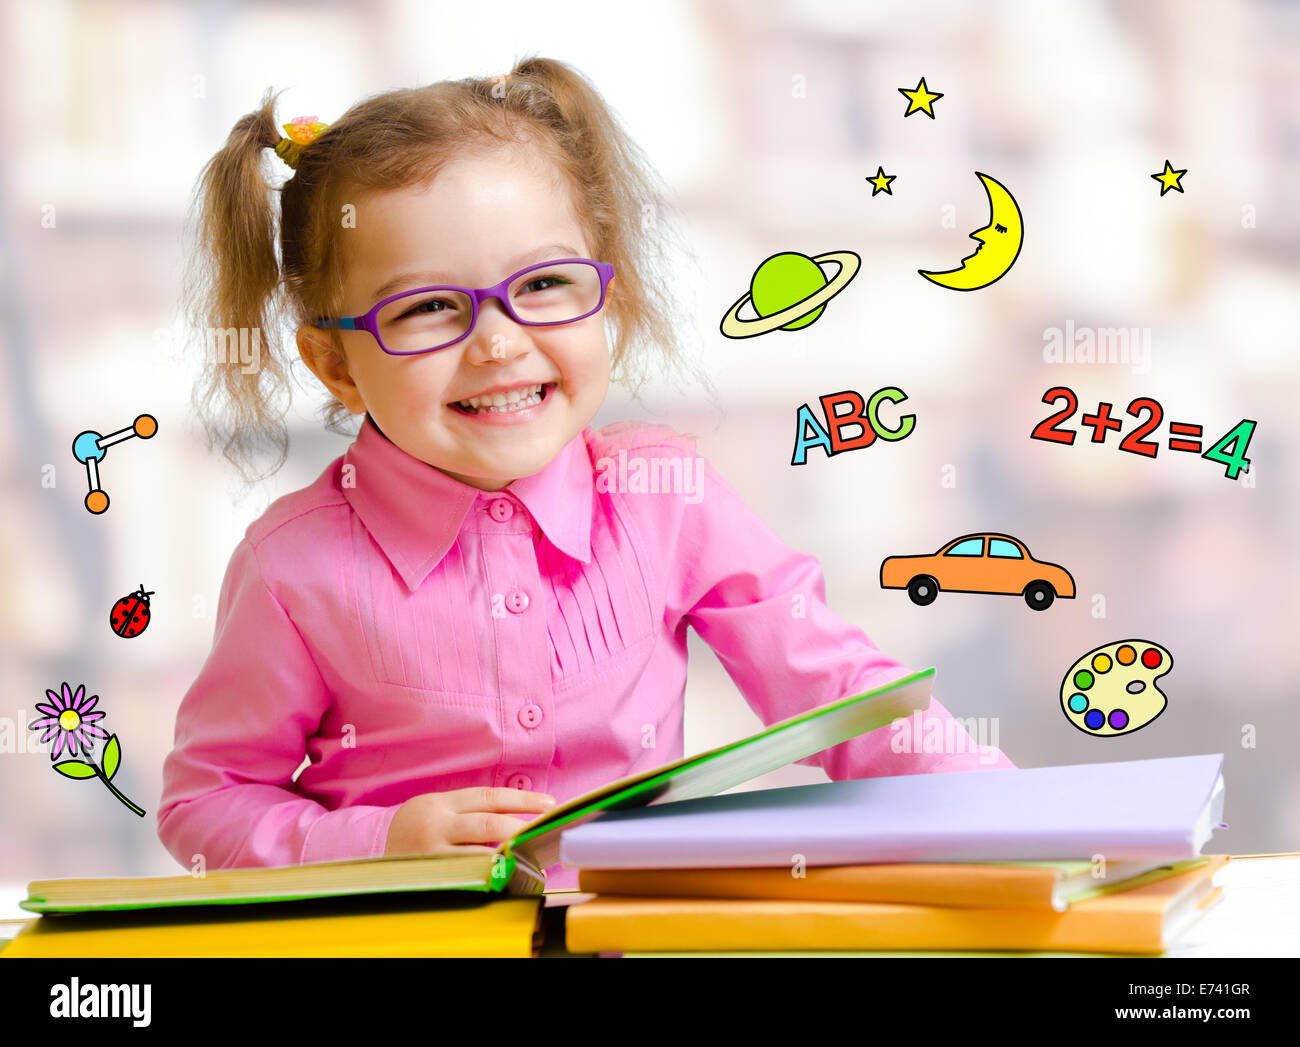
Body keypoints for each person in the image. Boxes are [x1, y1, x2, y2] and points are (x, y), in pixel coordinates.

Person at [159, 56, 1012, 890]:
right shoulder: (290, 568)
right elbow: (204, 805)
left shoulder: (665, 498)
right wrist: (381, 838)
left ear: (606, 287)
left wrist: (1003, 812)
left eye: (545, 283)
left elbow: (838, 690)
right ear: (335, 364)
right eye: (427, 307)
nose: (498, 341)